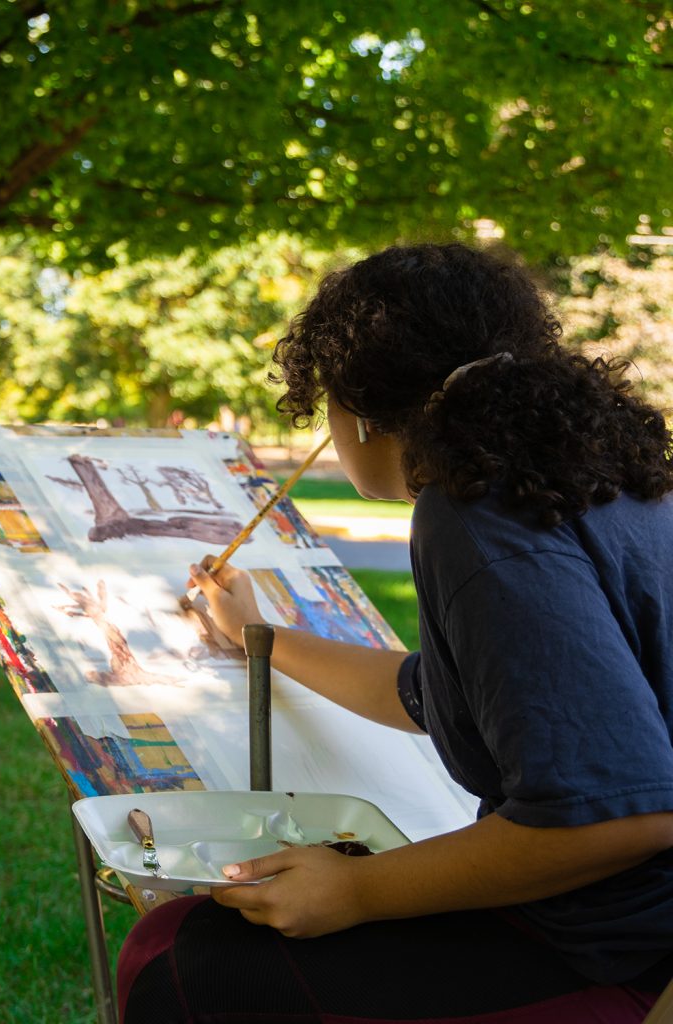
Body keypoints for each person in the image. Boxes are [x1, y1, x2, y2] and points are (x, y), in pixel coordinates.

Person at [117, 242, 673, 1023]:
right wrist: (257, 636)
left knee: (179, 963)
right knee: (184, 940)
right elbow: (436, 693)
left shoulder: (473, 514)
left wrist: (355, 891)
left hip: (620, 949)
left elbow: (621, 813)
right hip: (615, 925)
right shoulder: (587, 480)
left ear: (364, 409)